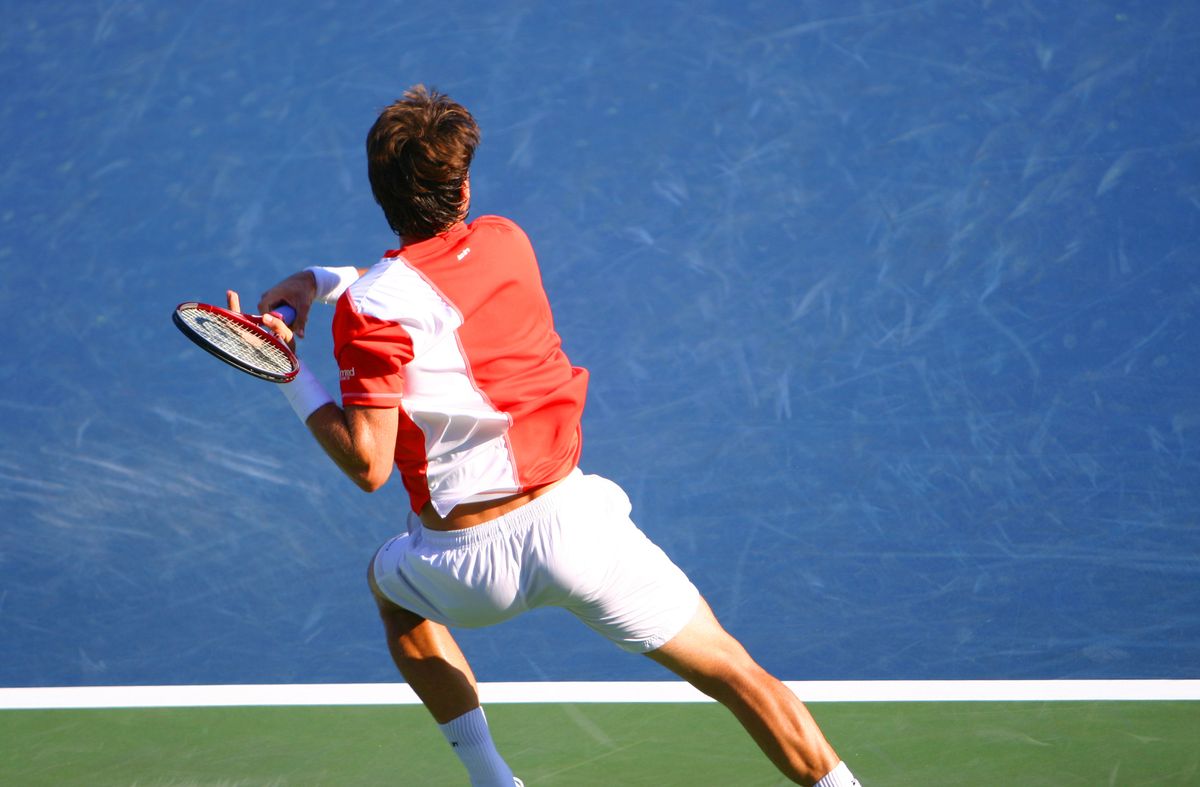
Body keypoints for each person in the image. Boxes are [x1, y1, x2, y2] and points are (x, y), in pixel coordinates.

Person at [234, 85, 861, 787]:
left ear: (379, 191)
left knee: (393, 592)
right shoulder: (507, 242)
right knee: (737, 673)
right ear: (463, 188)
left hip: (465, 570)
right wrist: (323, 284)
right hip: (578, 537)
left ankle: (493, 778)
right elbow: (432, 288)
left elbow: (368, 463)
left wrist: (288, 367)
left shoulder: (366, 309)